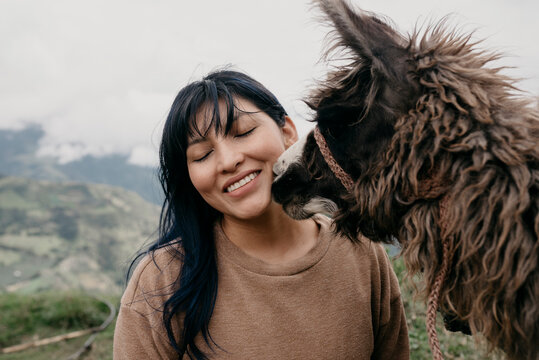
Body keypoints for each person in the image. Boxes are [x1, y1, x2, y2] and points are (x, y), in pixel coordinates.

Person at [113, 69, 409, 360]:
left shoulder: (359, 250)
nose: (228, 161)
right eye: (202, 155)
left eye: (243, 132)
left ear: (288, 132)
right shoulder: (160, 283)